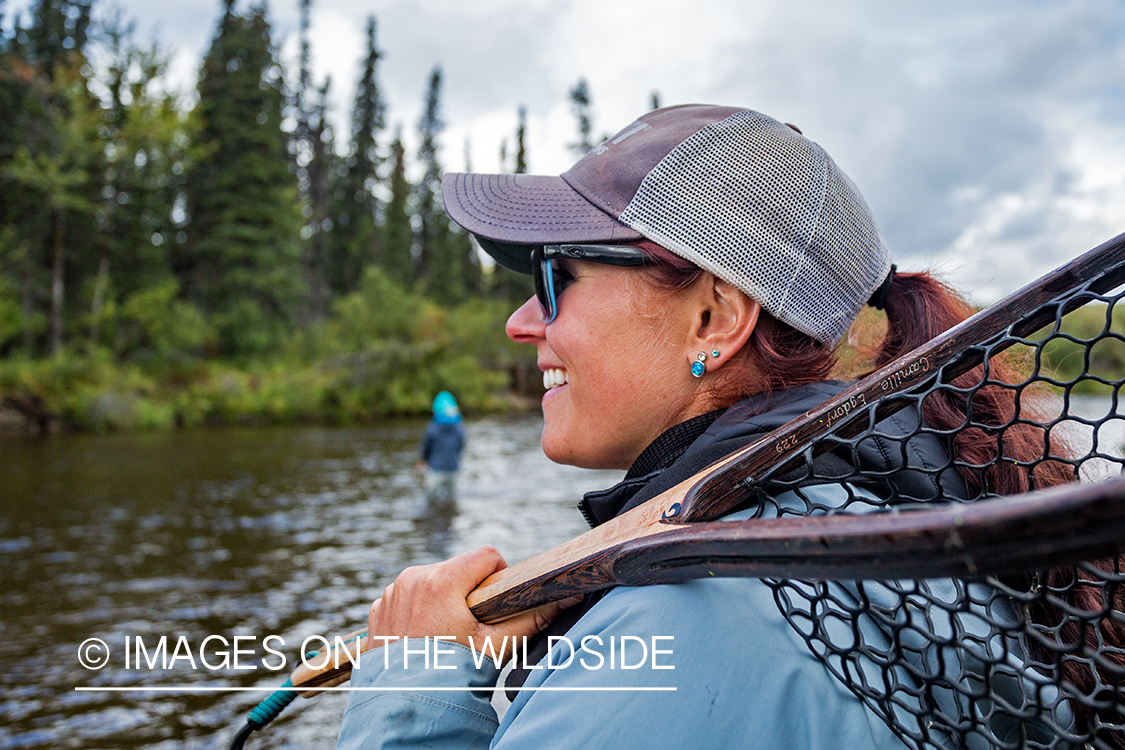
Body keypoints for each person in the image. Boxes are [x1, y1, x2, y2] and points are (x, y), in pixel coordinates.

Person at [335, 105, 1114, 748]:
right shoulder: (900, 534)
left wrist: (413, 685)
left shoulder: (684, 627)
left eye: (554, 278)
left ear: (713, 317)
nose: (518, 322)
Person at [418, 391, 466, 508]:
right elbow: (461, 447)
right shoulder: (459, 428)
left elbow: (426, 447)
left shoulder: (432, 428)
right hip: (453, 469)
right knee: (451, 500)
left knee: (429, 501)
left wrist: (423, 460)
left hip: (435, 469)